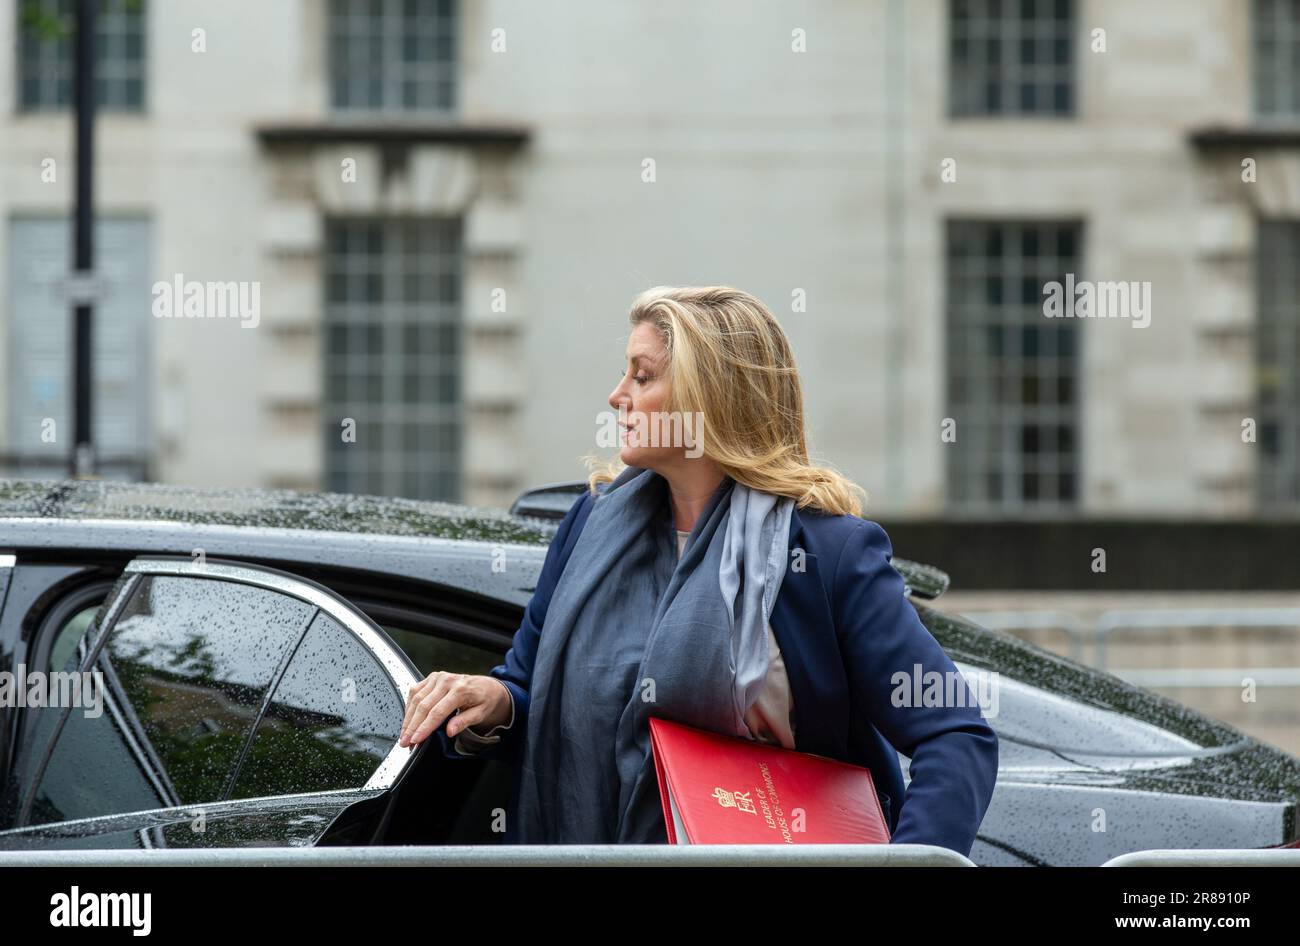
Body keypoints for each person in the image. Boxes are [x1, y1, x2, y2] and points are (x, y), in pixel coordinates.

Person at [398, 285, 998, 854]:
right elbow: (532, 690)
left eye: (643, 375)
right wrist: (493, 698)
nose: (617, 396)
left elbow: (955, 736)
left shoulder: (826, 553)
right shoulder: (589, 525)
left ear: (707, 396)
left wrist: (908, 866)